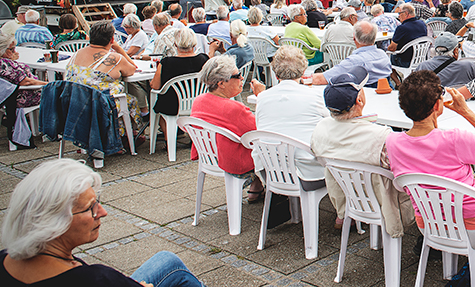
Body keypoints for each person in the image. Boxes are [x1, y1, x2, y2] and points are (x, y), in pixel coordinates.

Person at [0, 159, 204, 286]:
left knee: (167, 261)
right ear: (54, 222)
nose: (103, 212)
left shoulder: (4, 259)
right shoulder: (96, 279)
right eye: (90, 208)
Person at [386, 70, 475, 246]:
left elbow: (429, 172)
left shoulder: (392, 142)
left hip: (429, 225)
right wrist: (466, 111)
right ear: (436, 106)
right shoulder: (455, 139)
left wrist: (470, 178)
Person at [311, 70, 411, 233]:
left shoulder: (320, 129)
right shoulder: (381, 137)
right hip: (386, 205)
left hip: (350, 199)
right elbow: (403, 172)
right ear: (359, 99)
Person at [249, 46, 328, 190]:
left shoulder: (262, 98)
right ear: (303, 71)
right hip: (309, 173)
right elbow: (330, 127)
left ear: (276, 73)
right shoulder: (315, 97)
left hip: (271, 170)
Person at [190, 55, 264, 201]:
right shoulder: (233, 109)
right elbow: (261, 130)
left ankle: (257, 186)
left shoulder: (198, 101)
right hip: (235, 162)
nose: (242, 78)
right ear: (221, 83)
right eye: (237, 76)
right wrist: (262, 96)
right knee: (277, 147)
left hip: (211, 157)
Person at [64, 21, 141, 141]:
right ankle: (126, 135)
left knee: (115, 97)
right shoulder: (114, 58)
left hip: (75, 102)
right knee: (129, 100)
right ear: (111, 39)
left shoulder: (77, 53)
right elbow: (132, 68)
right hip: (98, 104)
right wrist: (118, 48)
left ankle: (115, 135)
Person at [0, 31, 47, 147]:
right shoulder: (5, 64)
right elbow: (26, 81)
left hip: (7, 96)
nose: (14, 52)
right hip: (20, 96)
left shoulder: (6, 63)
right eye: (11, 49)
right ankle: (51, 131)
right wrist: (48, 83)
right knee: (54, 94)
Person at [388, 3, 427, 68]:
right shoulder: (422, 24)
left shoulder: (402, 28)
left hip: (405, 60)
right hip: (421, 58)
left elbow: (392, 48)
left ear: (406, 13)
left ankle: (397, 78)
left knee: (388, 60)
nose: (398, 16)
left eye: (399, 13)